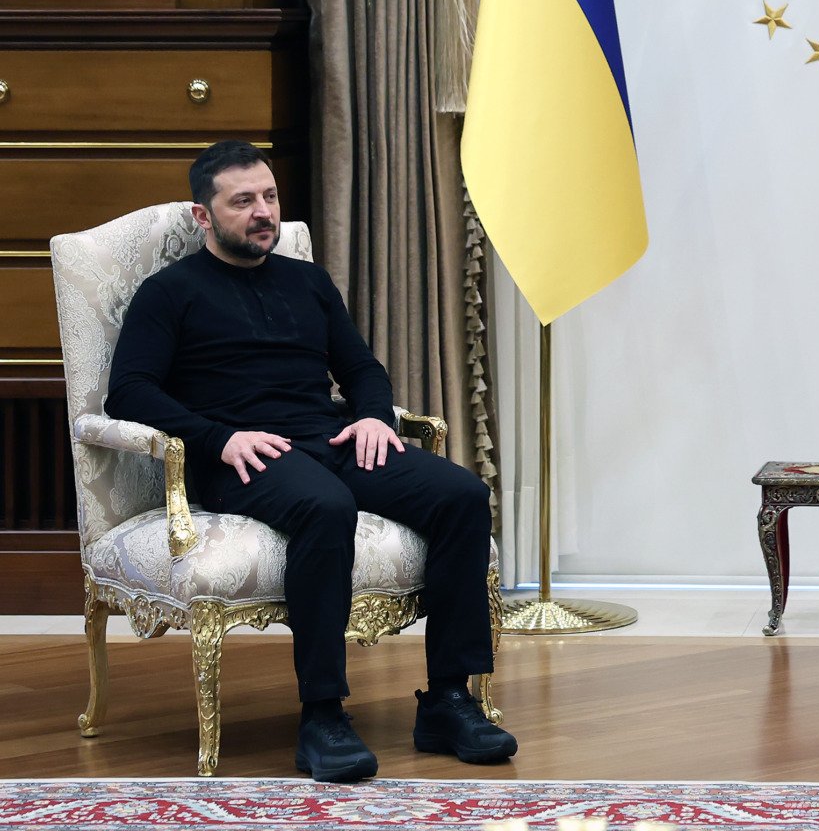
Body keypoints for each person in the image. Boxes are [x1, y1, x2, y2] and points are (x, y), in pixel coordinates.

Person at [106, 140, 516, 783]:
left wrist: (374, 416)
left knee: (462, 495)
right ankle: (322, 716)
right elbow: (129, 391)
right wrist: (219, 438)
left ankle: (447, 699)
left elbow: (360, 368)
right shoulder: (169, 293)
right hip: (242, 456)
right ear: (203, 216)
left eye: (269, 197)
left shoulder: (308, 282)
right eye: (243, 201)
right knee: (327, 508)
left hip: (329, 438)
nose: (263, 212)